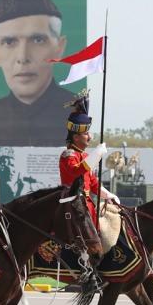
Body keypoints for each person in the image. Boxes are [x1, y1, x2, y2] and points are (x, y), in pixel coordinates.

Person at [0, 0, 75, 146]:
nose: (22, 57)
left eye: (37, 40)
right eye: (9, 42)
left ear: (59, 48)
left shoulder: (80, 115)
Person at [58, 90, 118, 227]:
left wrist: (108, 195)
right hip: (72, 207)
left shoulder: (85, 156)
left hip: (87, 206)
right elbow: (75, 171)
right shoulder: (67, 155)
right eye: (86, 133)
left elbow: (93, 183)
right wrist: (96, 155)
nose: (90, 137)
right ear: (76, 137)